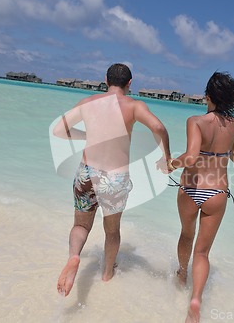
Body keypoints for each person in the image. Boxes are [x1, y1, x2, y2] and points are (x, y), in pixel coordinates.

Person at [54, 63, 171, 297]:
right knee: (112, 231)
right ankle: (107, 274)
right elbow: (158, 126)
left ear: (105, 80)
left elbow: (59, 130)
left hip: (86, 173)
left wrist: (86, 136)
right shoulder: (135, 106)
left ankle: (75, 257)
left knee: (80, 225)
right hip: (115, 179)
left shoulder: (88, 102)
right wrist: (166, 157)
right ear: (129, 83)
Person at [167, 72, 234, 323]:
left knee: (186, 235)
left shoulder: (196, 121)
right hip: (218, 192)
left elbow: (190, 157)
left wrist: (171, 164)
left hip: (191, 188)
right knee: (202, 253)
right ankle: (196, 299)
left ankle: (181, 274)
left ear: (208, 96)